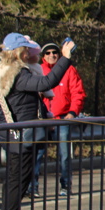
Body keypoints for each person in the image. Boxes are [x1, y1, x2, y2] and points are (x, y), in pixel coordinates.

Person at [0, 34, 77, 210]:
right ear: (19, 52)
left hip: (13, 134)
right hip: (21, 135)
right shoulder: (17, 73)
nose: (29, 53)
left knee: (15, 179)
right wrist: (65, 57)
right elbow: (47, 81)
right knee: (18, 180)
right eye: (26, 49)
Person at [33, 42, 86, 197]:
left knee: (64, 154)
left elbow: (78, 92)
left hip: (62, 118)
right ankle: (32, 187)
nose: (52, 55)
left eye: (55, 52)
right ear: (43, 56)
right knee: (37, 153)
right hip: (42, 119)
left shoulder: (69, 70)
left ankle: (65, 185)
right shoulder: (38, 70)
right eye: (48, 53)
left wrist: (73, 112)